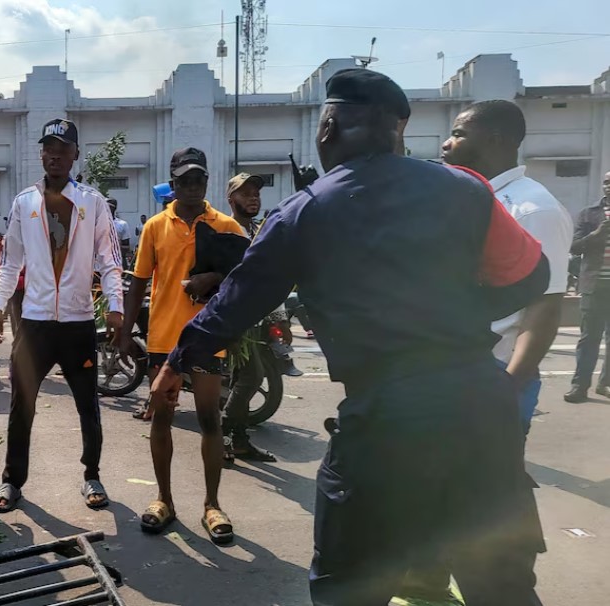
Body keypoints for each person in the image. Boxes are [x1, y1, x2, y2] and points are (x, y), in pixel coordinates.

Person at [150, 69, 549, 604]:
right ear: (397, 131)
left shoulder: (307, 211)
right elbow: (533, 276)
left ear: (329, 126)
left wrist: (174, 365)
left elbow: (235, 302)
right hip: (482, 406)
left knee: (349, 587)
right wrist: (457, 314)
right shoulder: (466, 189)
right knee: (501, 588)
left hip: (388, 419)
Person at [0, 119, 125, 513]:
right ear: (41, 153)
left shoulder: (92, 202)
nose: (55, 155)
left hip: (79, 322)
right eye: (49, 148)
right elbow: (11, 262)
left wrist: (115, 307)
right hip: (34, 323)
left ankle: (92, 475)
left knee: (87, 403)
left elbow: (110, 260)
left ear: (76, 155)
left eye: (64, 149)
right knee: (22, 404)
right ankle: (12, 480)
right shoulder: (24, 202)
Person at [119, 147, 245, 544]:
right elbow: (139, 281)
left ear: (207, 182)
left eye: (199, 179)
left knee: (210, 420)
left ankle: (212, 504)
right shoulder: (155, 226)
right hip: (163, 340)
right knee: (162, 418)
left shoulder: (227, 226)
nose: (192, 186)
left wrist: (214, 278)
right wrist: (124, 332)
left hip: (209, 337)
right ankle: (164, 500)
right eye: (184, 180)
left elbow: (248, 278)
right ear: (172, 184)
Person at [442, 99, 573, 426]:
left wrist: (509, 385)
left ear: (494, 140)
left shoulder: (532, 208)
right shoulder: (472, 197)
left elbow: (545, 307)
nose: (446, 144)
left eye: (459, 134)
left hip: (494, 372)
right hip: (452, 366)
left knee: (487, 474)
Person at [221, 172, 289, 460]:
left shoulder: (257, 231)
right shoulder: (226, 231)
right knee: (253, 376)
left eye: (256, 193)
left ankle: (237, 438)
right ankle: (223, 432)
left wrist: (278, 317)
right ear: (231, 199)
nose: (253, 198)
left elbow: (268, 277)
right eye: (246, 193)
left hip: (255, 318)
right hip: (235, 318)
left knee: (241, 378)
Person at [564, 170, 610, 402]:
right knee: (589, 338)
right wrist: (597, 234)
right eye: (605, 182)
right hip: (595, 286)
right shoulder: (589, 214)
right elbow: (574, 246)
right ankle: (579, 386)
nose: (608, 186)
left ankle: (605, 384)